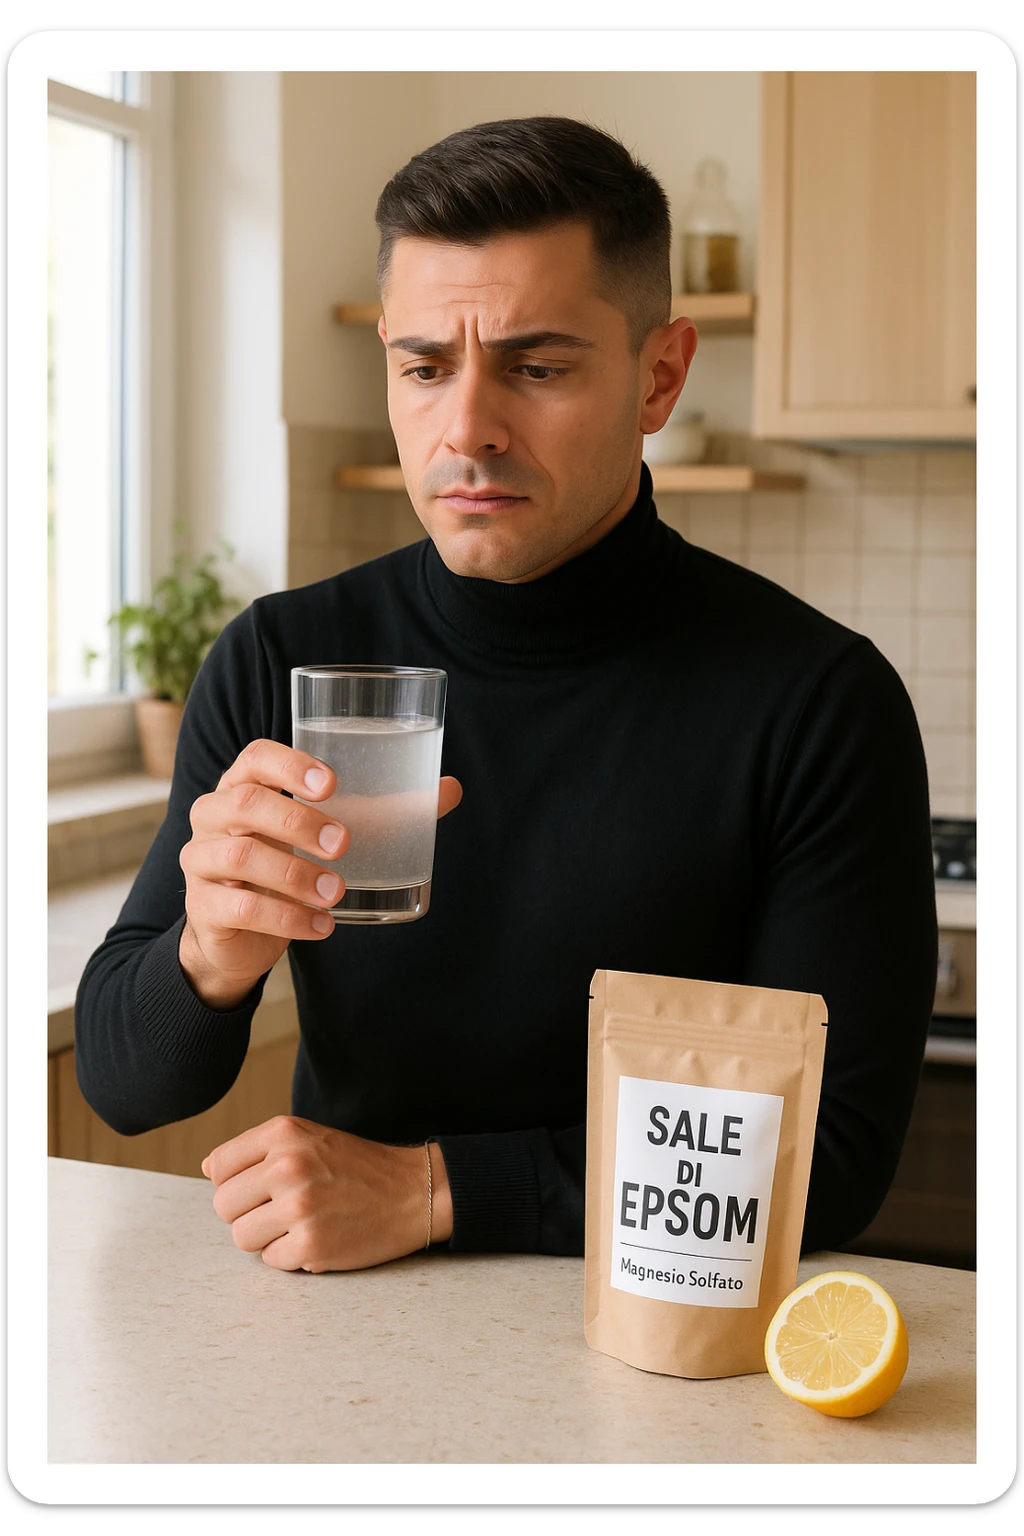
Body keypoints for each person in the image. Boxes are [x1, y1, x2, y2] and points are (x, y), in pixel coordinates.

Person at [74, 116, 938, 1275]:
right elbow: (125, 1086)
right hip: (343, 1342)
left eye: (536, 368)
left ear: (660, 376)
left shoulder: (818, 704)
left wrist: (435, 1189)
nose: (467, 429)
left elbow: (830, 1155)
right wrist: (210, 953)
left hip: (667, 1352)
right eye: (424, 368)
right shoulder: (284, 655)